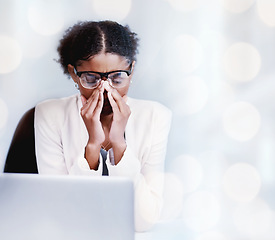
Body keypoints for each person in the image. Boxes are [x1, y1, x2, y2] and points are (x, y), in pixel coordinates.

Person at [34, 20, 172, 232]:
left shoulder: (156, 117)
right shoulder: (50, 115)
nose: (105, 90)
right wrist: (92, 148)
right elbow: (62, 217)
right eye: (91, 78)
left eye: (117, 78)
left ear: (131, 71)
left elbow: (143, 222)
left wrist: (119, 144)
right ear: (74, 74)